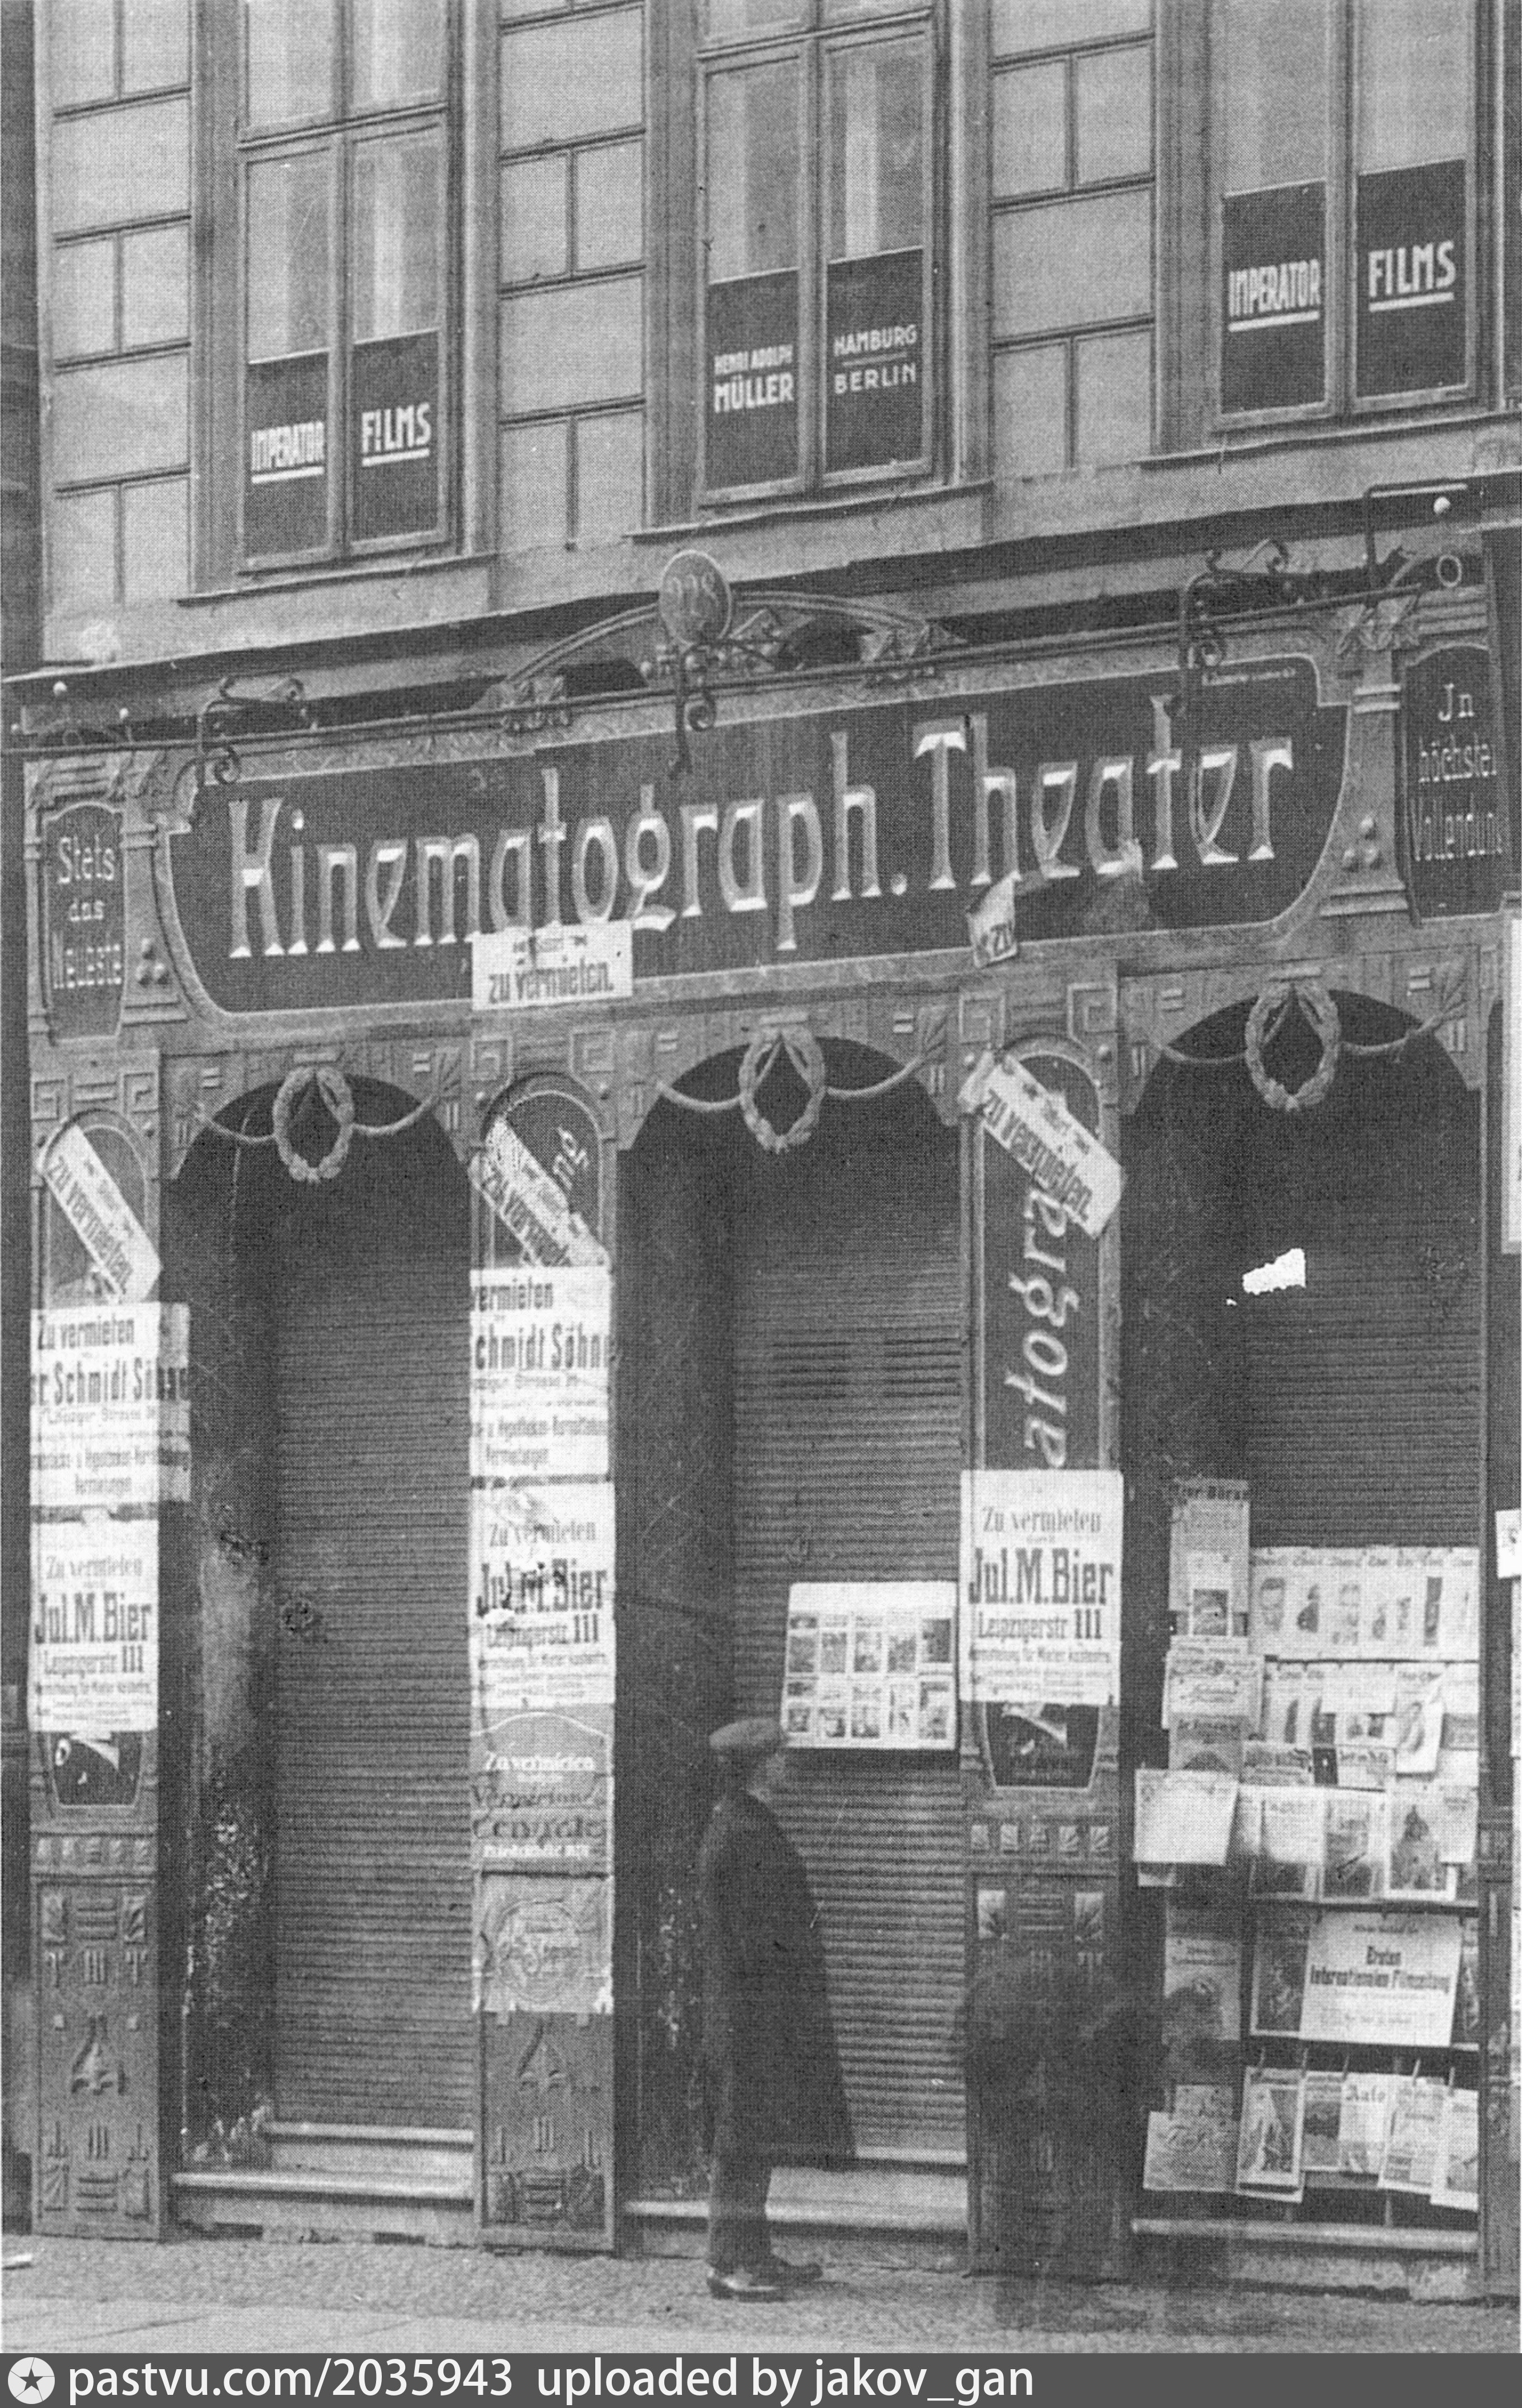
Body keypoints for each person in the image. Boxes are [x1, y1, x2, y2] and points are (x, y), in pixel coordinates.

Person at [696, 1716, 853, 2300]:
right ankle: (724, 2261)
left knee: (754, 2131)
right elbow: (751, 1936)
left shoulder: (746, 1822)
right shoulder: (740, 1831)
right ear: (760, 1766)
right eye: (781, 1756)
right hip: (748, 2012)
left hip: (757, 2008)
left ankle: (753, 2252)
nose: (790, 1764)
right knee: (740, 2136)